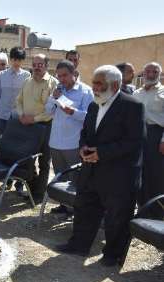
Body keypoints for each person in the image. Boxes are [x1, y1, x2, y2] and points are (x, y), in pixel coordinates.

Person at [56, 65, 145, 267]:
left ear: (114, 85)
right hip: (91, 169)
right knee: (84, 207)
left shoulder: (132, 106)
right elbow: (86, 132)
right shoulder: (95, 105)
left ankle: (113, 256)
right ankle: (79, 245)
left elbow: (134, 142)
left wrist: (101, 153)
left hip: (118, 174)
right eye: (94, 82)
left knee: (117, 216)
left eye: (99, 84)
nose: (94, 87)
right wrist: (83, 148)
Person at [45, 60, 93, 214]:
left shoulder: (85, 91)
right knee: (60, 176)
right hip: (55, 141)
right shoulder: (58, 90)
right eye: (59, 76)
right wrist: (54, 97)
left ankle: (76, 208)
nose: (61, 79)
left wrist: (72, 111)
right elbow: (47, 111)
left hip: (73, 143)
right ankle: (64, 205)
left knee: (75, 179)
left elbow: (89, 117)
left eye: (65, 75)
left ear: (74, 73)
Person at [16, 54, 58, 203]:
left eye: (40, 64)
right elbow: (18, 101)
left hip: (45, 126)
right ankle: (33, 189)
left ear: (46, 65)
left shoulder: (53, 83)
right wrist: (21, 115)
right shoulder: (27, 81)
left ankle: (39, 194)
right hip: (26, 126)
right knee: (27, 160)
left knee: (44, 161)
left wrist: (33, 119)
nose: (37, 67)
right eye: (34, 64)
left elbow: (52, 110)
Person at [133, 62, 164, 205]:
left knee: (156, 173)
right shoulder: (136, 93)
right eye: (148, 72)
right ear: (143, 74)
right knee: (140, 171)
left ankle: (157, 211)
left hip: (156, 136)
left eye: (155, 72)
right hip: (137, 135)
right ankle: (142, 208)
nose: (151, 74)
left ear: (160, 74)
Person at [0, 47, 30, 137]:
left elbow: (26, 97)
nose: (17, 62)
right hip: (1, 116)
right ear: (11, 59)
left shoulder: (26, 75)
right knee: (2, 143)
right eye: (14, 59)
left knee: (16, 142)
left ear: (23, 60)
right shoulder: (1, 75)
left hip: (18, 117)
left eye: (19, 60)